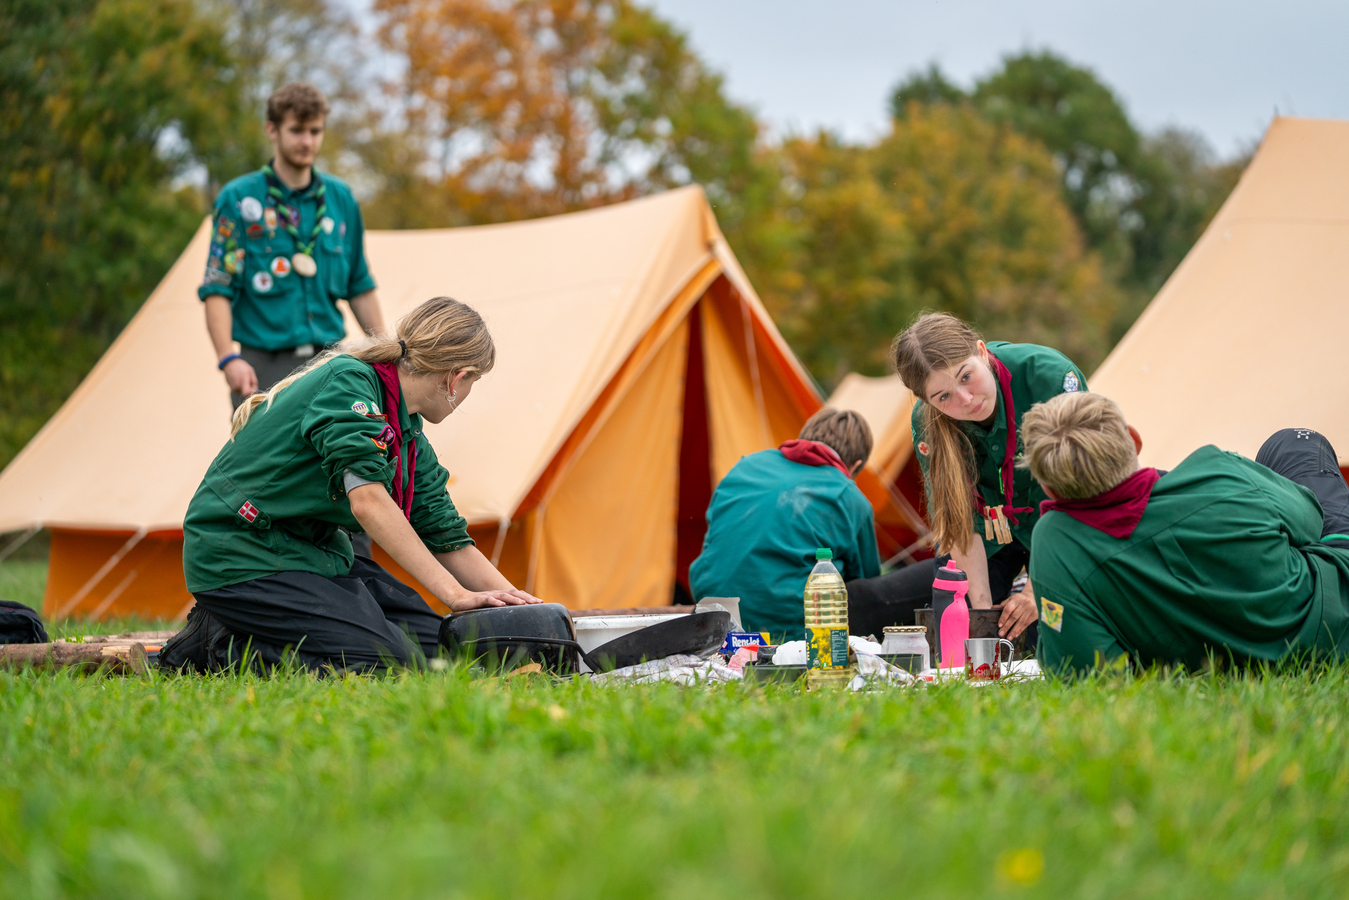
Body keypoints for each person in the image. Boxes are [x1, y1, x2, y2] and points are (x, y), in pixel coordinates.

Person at [160, 297, 541, 672]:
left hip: (313, 554)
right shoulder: (350, 383)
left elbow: (448, 538)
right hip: (244, 554)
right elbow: (368, 502)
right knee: (394, 664)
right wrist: (456, 595)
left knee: (443, 652)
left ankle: (253, 630)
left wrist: (533, 617)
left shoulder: (407, 432)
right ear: (457, 378)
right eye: (475, 380)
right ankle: (218, 643)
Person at [1021, 391, 1349, 675]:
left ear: (1048, 488)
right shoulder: (1220, 471)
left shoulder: (1056, 542)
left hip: (1217, 665)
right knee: (1294, 442)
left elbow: (1086, 670)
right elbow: (1311, 520)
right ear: (1134, 440)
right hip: (1331, 623)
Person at [844, 312, 1089, 641]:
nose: (966, 399)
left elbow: (1081, 500)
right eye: (943, 396)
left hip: (1065, 528)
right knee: (966, 633)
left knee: (1045, 635)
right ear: (927, 402)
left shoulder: (1050, 378)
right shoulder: (928, 422)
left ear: (982, 351)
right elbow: (959, 524)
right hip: (987, 535)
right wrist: (982, 620)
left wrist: (1033, 594)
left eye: (966, 376)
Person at [199, 83, 388, 410]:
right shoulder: (239, 199)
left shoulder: (340, 198)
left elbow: (359, 284)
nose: (307, 141)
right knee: (265, 463)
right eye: (297, 130)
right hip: (263, 369)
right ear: (272, 129)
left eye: (315, 131)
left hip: (330, 364)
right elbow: (218, 287)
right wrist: (228, 358)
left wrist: (385, 352)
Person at [688, 409, 881, 641]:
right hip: (787, 627)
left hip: (711, 609)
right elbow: (868, 581)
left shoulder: (746, 465)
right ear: (856, 465)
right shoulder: (849, 495)